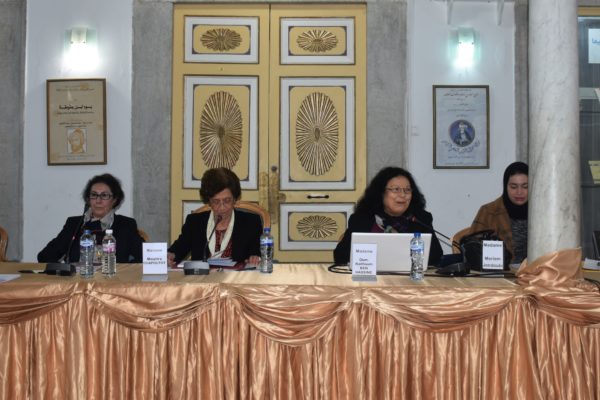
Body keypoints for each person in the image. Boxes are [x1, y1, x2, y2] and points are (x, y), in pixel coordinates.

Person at [334, 166, 443, 266]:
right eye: (396, 189)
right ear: (381, 193)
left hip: (409, 278)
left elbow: (436, 258)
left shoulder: (421, 219)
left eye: (407, 190)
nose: (403, 195)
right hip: (372, 277)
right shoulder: (362, 219)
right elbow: (341, 257)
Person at [38, 173, 144, 263]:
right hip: (79, 280)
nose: (98, 201)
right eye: (94, 195)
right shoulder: (74, 224)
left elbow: (144, 257)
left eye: (104, 195)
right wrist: (64, 271)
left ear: (114, 200)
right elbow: (44, 256)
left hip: (113, 279)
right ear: (88, 199)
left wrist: (124, 271)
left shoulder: (126, 224)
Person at [168, 168, 262, 267]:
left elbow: (257, 251)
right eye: (216, 201)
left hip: (236, 276)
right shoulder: (194, 222)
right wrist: (170, 256)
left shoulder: (251, 222)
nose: (222, 207)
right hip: (202, 276)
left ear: (235, 199)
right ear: (208, 201)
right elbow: (178, 249)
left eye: (227, 200)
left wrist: (255, 257)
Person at [468, 161, 528, 264]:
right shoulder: (489, 211)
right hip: (502, 271)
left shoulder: (542, 212)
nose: (519, 192)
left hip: (539, 271)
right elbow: (473, 249)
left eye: (525, 186)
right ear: (505, 186)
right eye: (513, 187)